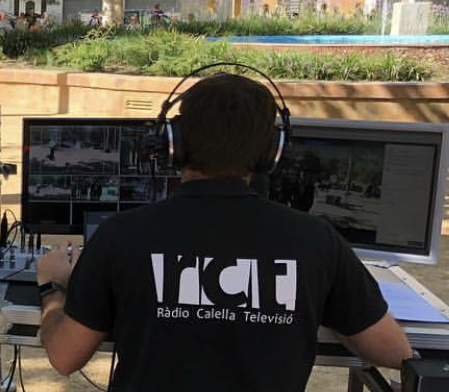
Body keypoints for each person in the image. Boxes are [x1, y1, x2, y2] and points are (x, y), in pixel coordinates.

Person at [35, 73, 413, 392]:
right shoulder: (317, 241)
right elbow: (397, 352)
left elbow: (65, 357)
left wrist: (53, 289)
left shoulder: (120, 234)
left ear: (174, 143)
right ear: (272, 152)